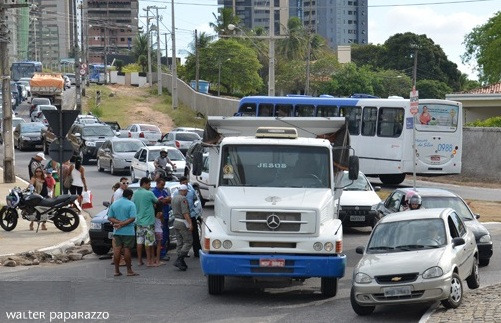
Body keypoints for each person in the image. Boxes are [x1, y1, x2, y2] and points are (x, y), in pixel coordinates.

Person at [107, 188, 139, 277]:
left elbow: (110, 217)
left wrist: (118, 223)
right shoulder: (131, 204)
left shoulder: (115, 203)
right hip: (128, 232)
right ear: (130, 196)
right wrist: (122, 223)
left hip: (116, 232)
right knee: (127, 250)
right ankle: (129, 270)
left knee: (116, 251)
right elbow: (132, 218)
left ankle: (116, 271)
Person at [132, 177, 158, 267]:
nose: (150, 186)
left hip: (139, 221)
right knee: (149, 242)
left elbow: (133, 204)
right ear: (144, 183)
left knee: (139, 242)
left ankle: (139, 261)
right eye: (149, 184)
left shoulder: (135, 194)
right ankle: (149, 261)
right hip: (148, 222)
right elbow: (157, 201)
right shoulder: (149, 193)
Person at [178, 176, 202, 258]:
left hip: (191, 215)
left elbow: (196, 200)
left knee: (195, 235)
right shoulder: (176, 193)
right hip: (182, 217)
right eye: (183, 183)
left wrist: (196, 211)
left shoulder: (191, 191)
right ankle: (183, 253)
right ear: (180, 183)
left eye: (186, 182)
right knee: (184, 236)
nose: (185, 184)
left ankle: (197, 251)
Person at [171, 184, 193, 271]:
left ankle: (181, 261)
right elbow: (185, 213)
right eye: (186, 191)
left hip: (176, 221)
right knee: (188, 241)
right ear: (183, 191)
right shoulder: (183, 199)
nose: (187, 192)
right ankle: (180, 259)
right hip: (182, 222)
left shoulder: (174, 198)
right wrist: (190, 224)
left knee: (180, 242)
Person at [152, 178, 172, 261]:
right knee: (161, 237)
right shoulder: (154, 192)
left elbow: (169, 199)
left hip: (166, 216)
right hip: (160, 217)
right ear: (157, 183)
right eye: (161, 185)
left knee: (165, 236)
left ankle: (163, 252)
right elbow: (160, 202)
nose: (163, 186)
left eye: (164, 185)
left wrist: (166, 200)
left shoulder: (163, 191)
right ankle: (161, 254)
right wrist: (165, 200)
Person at [28, 167, 49, 231]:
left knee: (46, 210)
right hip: (37, 196)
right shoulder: (34, 178)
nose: (38, 173)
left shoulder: (44, 178)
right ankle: (31, 223)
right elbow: (30, 185)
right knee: (36, 211)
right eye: (36, 171)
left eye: (39, 171)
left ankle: (43, 224)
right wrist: (30, 187)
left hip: (45, 196)